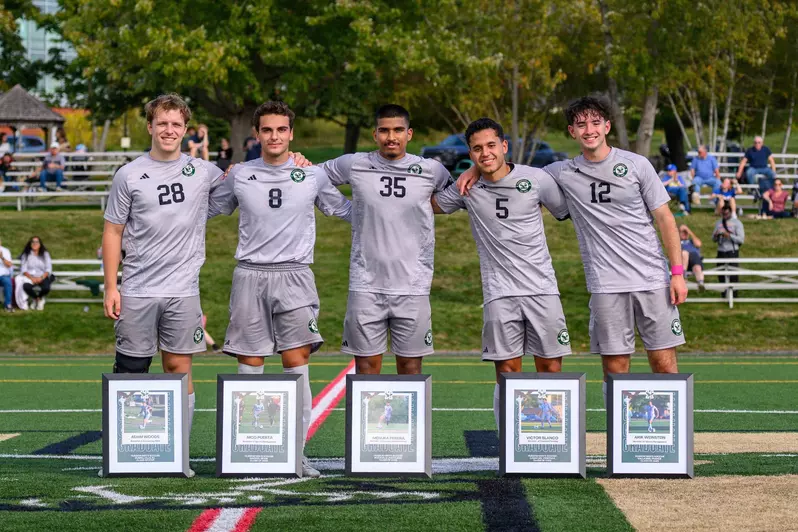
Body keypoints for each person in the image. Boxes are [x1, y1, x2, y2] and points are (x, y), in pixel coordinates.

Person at [459, 95, 687, 408]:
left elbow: (665, 219)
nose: (589, 130)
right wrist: (474, 169)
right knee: (615, 370)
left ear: (607, 126)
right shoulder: (560, 172)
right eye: (581, 124)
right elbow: (510, 172)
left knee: (663, 363)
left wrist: (677, 274)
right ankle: (619, 442)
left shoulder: (637, 165)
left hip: (652, 279)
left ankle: (671, 442)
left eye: (595, 123)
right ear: (571, 132)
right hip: (606, 287)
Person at [208, 100, 351, 478]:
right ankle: (249, 451)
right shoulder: (239, 174)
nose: (274, 136)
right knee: (250, 363)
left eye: (281, 130)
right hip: (249, 275)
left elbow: (348, 210)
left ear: (291, 133)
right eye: (267, 130)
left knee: (296, 364)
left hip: (295, 276)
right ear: (256, 134)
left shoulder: (313, 175)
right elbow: (202, 209)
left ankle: (295, 453)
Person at [101, 94, 226, 478]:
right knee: (130, 371)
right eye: (162, 123)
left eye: (176, 124)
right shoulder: (129, 173)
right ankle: (125, 455)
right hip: (137, 288)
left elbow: (250, 177)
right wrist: (111, 286)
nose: (169, 130)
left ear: (185, 130)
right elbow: (112, 231)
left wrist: (298, 162)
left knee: (179, 369)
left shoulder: (204, 171)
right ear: (150, 127)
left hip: (183, 291)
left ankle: (178, 456)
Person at [431, 117, 571, 433]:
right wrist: (464, 173)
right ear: (470, 152)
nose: (485, 153)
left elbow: (565, 210)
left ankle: (552, 441)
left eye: (491, 145)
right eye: (477, 149)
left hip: (542, 290)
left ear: (504, 146)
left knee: (550, 367)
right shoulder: (466, 188)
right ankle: (510, 446)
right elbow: (431, 205)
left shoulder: (536, 179)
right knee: (508, 372)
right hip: (499, 293)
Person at [319, 104, 452, 376]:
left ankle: (410, 421)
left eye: (398, 130)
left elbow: (459, 192)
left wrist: (471, 174)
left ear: (409, 133)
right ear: (374, 134)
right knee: (367, 367)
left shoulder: (430, 170)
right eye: (384, 130)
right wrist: (346, 210)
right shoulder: (355, 164)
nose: (391, 137)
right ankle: (366, 421)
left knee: (410, 366)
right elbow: (311, 178)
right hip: (366, 284)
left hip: (413, 285)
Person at [712, 204, 745, 296]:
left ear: (730, 212)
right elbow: (713, 238)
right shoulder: (718, 223)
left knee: (733, 273)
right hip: (721, 250)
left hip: (732, 250)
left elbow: (741, 239)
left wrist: (729, 235)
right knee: (721, 272)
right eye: (723, 214)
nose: (725, 216)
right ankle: (724, 292)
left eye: (726, 214)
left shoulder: (737, 223)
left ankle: (733, 294)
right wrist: (716, 235)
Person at [14, 236, 53, 311]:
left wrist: (41, 278)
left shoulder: (45, 254)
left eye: (37, 242)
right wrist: (32, 278)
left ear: (40, 244)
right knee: (26, 286)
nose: (35, 243)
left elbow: (48, 268)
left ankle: (39, 298)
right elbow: (24, 269)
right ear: (30, 244)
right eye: (33, 242)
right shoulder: (26, 254)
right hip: (30, 277)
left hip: (43, 276)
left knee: (46, 288)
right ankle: (37, 299)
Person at [679, 225, 705, 293]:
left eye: (685, 232)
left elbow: (699, 244)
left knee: (697, 266)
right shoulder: (677, 242)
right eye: (682, 232)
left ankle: (700, 283)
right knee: (684, 253)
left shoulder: (692, 241)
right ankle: (683, 276)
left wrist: (689, 231)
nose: (684, 233)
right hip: (682, 262)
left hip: (694, 260)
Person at [0, 237, 14, 311]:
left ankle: (8, 305)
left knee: (8, 282)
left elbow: (9, 264)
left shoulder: (5, 251)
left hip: (3, 276)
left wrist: (2, 257)